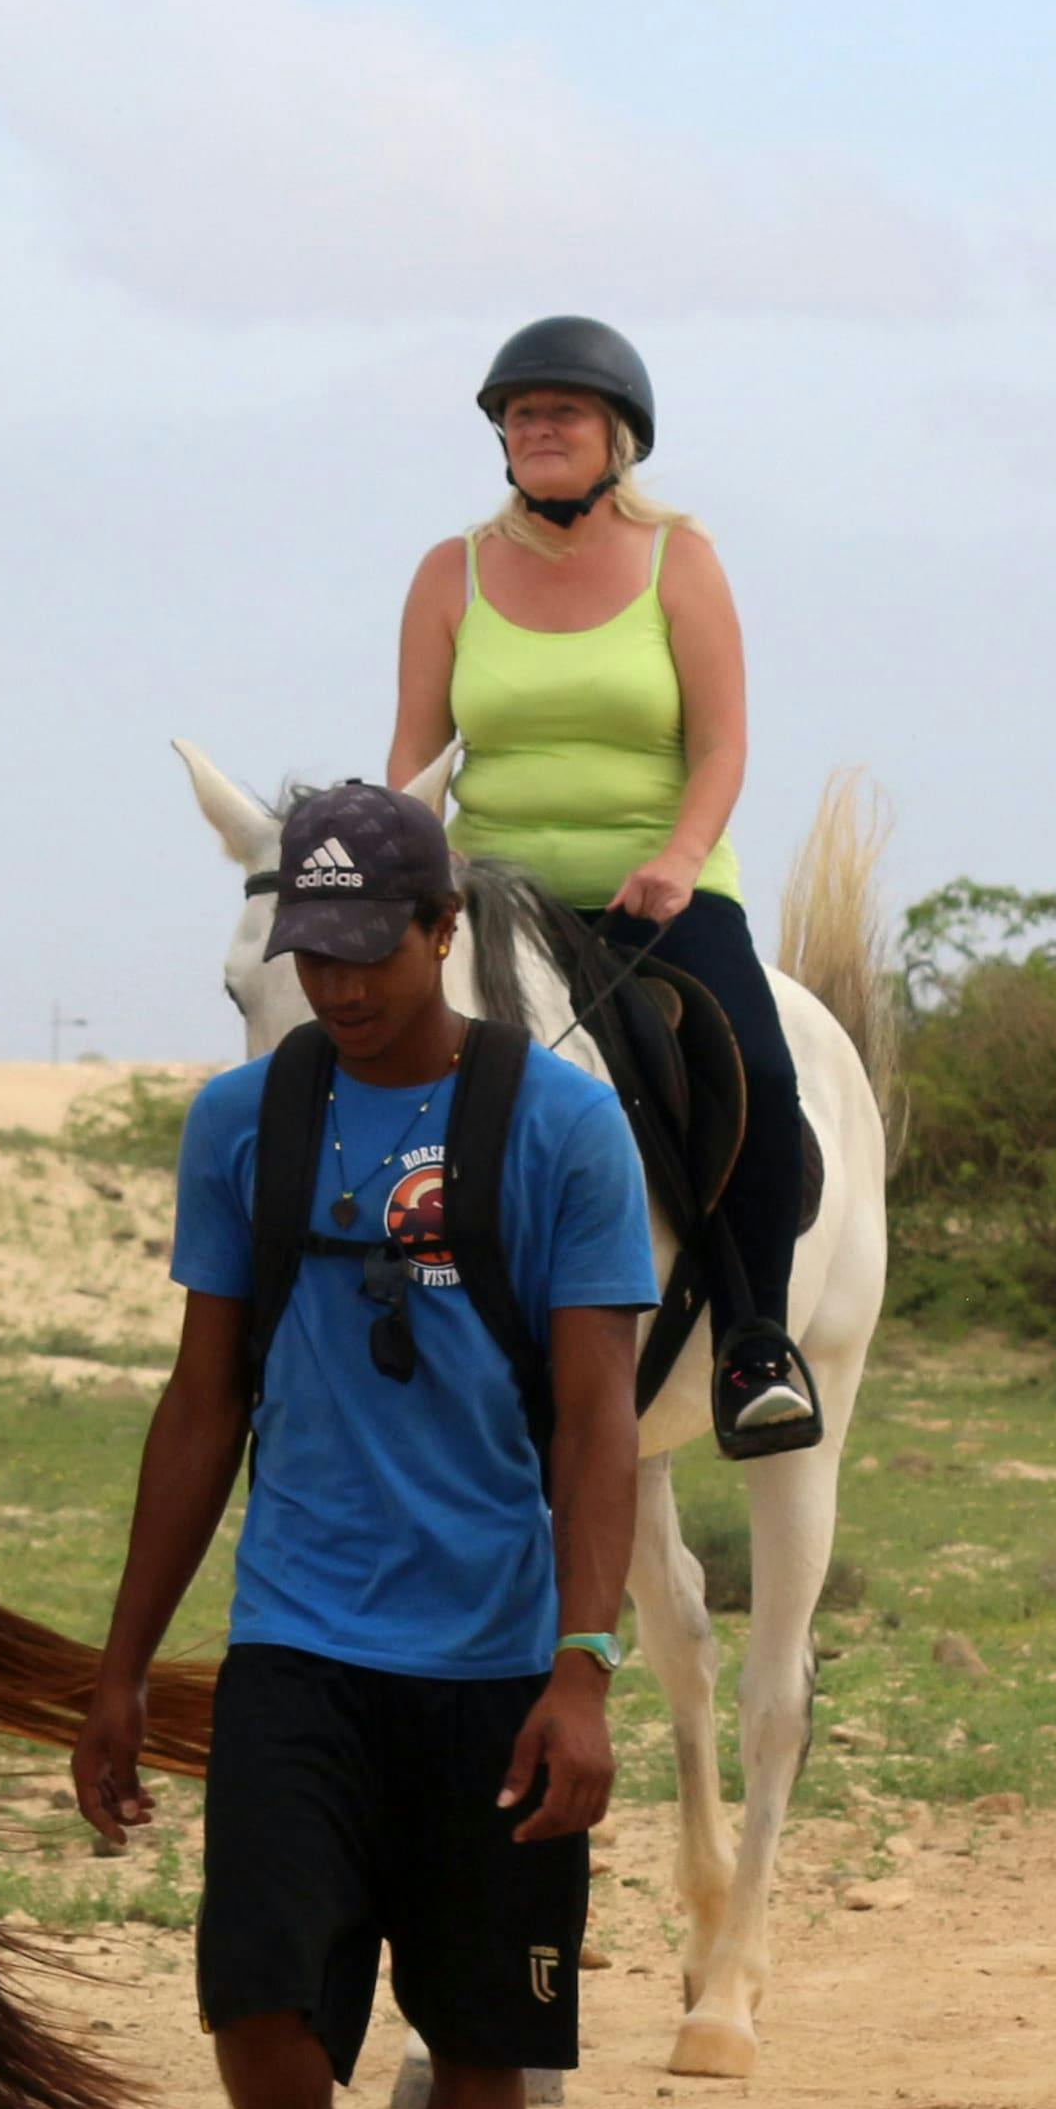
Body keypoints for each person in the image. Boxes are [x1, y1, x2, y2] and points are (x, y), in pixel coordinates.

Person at [70, 785, 652, 2109]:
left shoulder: (560, 1129)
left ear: (440, 931)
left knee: (482, 2037)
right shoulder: (244, 1124)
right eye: (301, 951)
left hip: (494, 1654)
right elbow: (204, 1396)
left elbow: (598, 1416)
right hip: (300, 1635)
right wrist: (120, 1665)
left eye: (361, 950)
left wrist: (585, 1663)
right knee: (252, 1987)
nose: (331, 983)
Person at [392, 316, 820, 1453]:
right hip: (491, 902)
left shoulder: (682, 558)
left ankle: (755, 1345)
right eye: (520, 412)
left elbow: (722, 745)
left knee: (756, 1070)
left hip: (656, 896)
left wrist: (679, 859)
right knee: (353, 1057)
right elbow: (415, 766)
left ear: (616, 436)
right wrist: (411, 881)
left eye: (562, 411)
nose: (538, 426)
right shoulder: (450, 573)